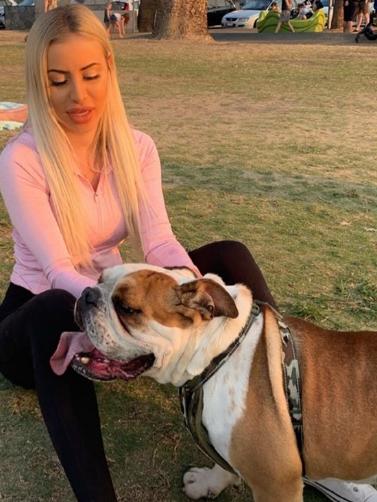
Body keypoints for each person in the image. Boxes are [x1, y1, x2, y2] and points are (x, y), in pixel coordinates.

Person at [0, 6, 376, 502]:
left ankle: (287, 430)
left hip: (121, 311)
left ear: (110, 69)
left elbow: (159, 243)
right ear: (39, 82)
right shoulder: (22, 158)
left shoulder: (136, 148)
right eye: (58, 80)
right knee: (53, 306)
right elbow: (56, 270)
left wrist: (191, 291)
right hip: (38, 319)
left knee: (230, 255)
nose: (78, 94)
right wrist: (106, 315)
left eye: (90, 74)